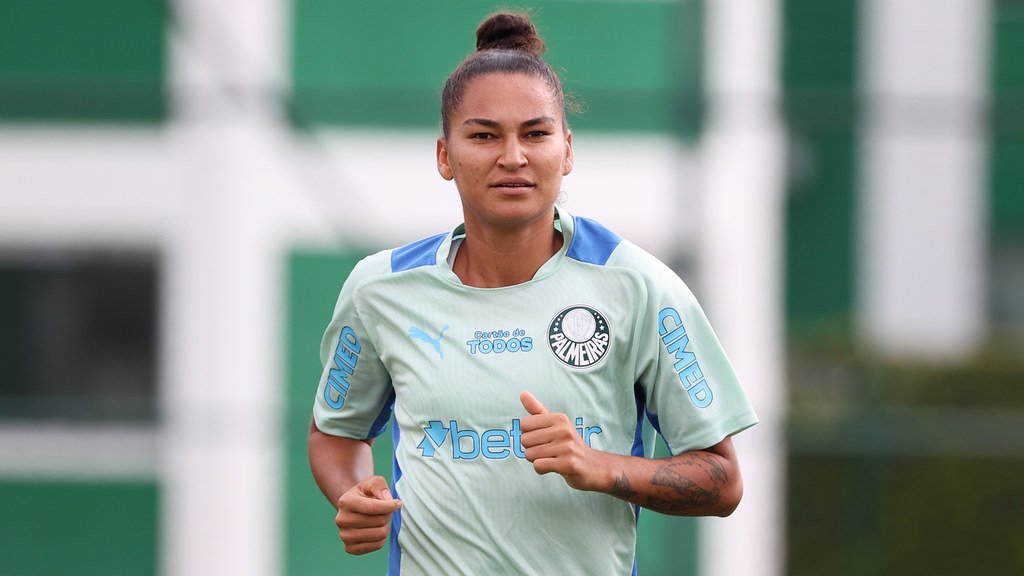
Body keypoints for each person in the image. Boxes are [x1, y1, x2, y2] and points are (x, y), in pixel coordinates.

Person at [308, 11, 758, 575]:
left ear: (566, 150)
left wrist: (598, 466)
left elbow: (721, 481)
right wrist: (355, 495)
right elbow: (335, 432)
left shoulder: (638, 286)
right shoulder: (380, 289)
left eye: (536, 134)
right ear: (445, 156)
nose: (513, 156)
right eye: (484, 135)